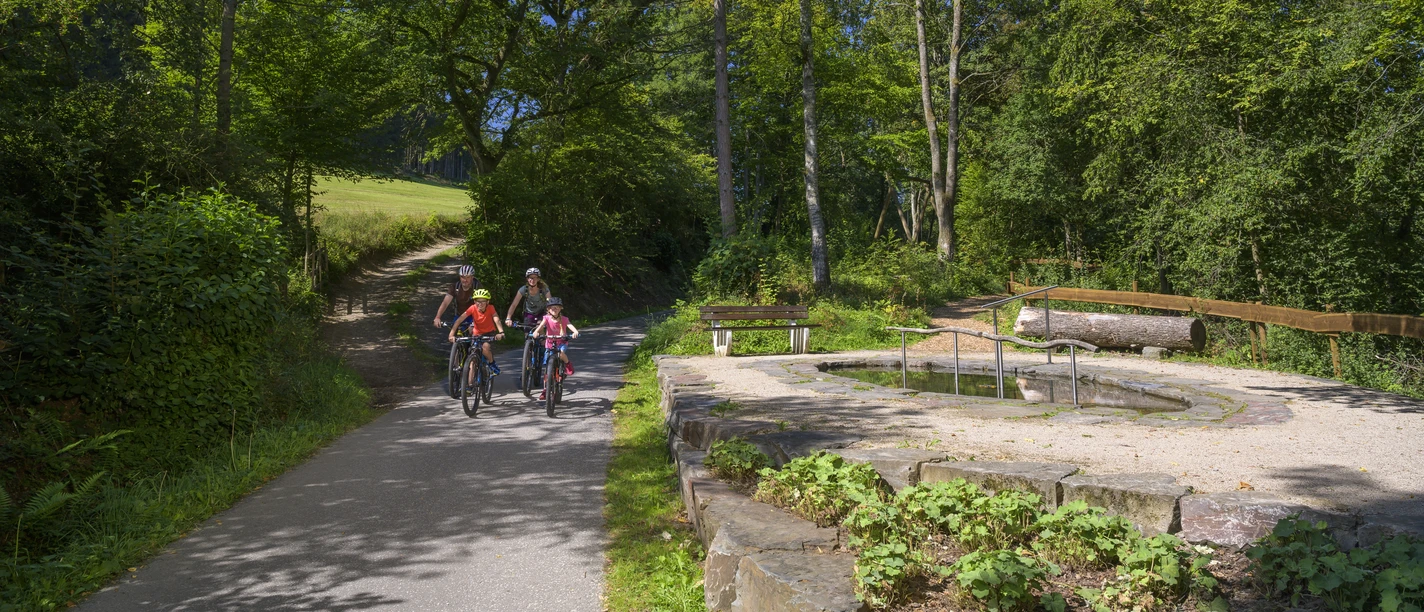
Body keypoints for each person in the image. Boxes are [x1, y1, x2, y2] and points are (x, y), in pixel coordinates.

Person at [447, 288, 506, 378]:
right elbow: (459, 320)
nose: (480, 304)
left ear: (487, 302)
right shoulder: (472, 308)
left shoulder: (491, 308)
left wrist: (501, 332)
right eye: (478, 301)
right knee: (472, 361)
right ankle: (470, 387)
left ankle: (492, 364)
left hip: (489, 333)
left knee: (485, 348)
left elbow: (496, 319)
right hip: (476, 334)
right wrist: (451, 334)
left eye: (483, 301)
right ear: (474, 301)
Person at [530, 297, 579, 400]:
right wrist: (536, 332)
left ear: (560, 308)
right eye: (552, 308)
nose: (554, 310)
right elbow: (541, 326)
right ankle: (545, 389)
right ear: (548, 310)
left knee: (561, 353)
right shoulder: (546, 318)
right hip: (550, 343)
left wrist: (575, 332)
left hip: (561, 342)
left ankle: (567, 365)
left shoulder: (564, 319)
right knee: (547, 368)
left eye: (556, 308)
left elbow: (570, 326)